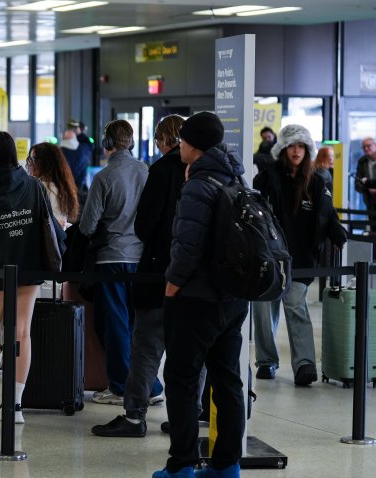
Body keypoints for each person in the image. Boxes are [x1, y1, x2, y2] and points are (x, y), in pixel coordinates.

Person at [154, 111, 248, 478]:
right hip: (233, 297)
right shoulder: (236, 178)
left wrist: (171, 287)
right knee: (227, 380)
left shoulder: (198, 185)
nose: (179, 146)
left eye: (184, 140)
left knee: (182, 378)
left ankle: (181, 466)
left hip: (197, 298)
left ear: (195, 145)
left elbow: (188, 247)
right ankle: (227, 465)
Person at [92, 115, 185, 438]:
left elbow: (93, 224)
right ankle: (170, 400)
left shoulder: (110, 176)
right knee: (168, 338)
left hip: (123, 261)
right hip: (167, 267)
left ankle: (127, 398)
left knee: (126, 329)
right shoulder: (149, 170)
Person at [0, 131, 60, 424]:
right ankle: (15, 405)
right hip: (28, 268)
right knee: (21, 333)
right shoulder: (33, 185)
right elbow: (47, 225)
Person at [253, 125, 347, 385]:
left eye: (301, 146)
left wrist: (338, 235)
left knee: (296, 307)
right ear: (283, 149)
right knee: (263, 309)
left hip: (301, 259)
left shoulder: (317, 182)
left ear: (307, 150)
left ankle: (304, 364)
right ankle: (266, 361)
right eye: (292, 146)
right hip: (269, 258)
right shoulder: (267, 177)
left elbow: (328, 215)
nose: (296, 151)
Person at [79, 119, 148, 406]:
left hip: (111, 259)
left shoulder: (104, 177)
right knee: (138, 326)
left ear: (107, 144)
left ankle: (121, 387)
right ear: (131, 142)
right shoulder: (146, 171)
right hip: (141, 259)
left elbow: (87, 225)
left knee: (116, 324)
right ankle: (147, 384)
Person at [27, 142, 79, 229]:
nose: (30, 163)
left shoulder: (44, 188)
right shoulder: (61, 186)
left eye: (33, 159)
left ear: (45, 162)